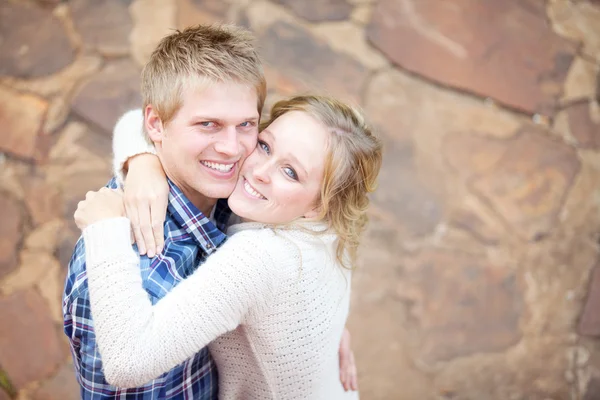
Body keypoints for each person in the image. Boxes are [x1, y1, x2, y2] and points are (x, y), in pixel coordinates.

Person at [74, 94, 382, 399]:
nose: (259, 171)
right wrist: (143, 164)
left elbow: (127, 363)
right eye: (265, 145)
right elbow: (136, 120)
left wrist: (105, 228)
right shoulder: (328, 227)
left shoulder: (260, 258)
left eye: (290, 172)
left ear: (318, 205)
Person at [62, 23, 266, 399]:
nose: (232, 148)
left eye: (246, 125)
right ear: (155, 124)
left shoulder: (246, 186)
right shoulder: (135, 277)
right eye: (209, 124)